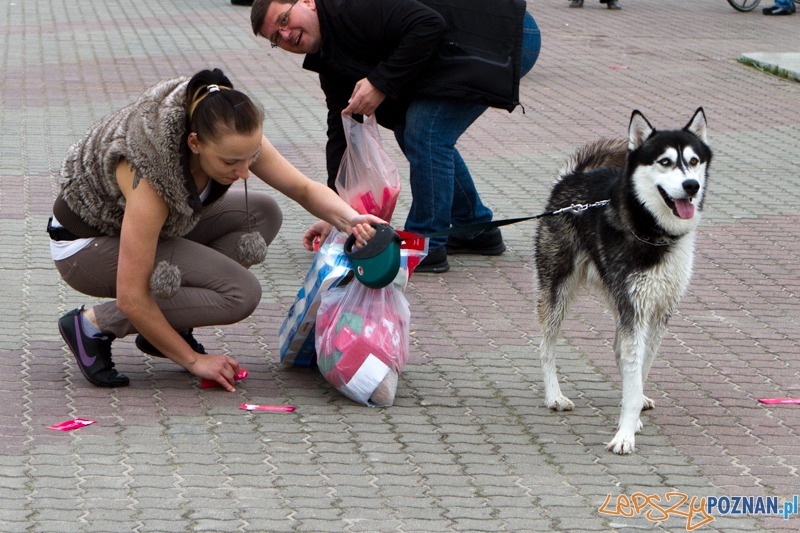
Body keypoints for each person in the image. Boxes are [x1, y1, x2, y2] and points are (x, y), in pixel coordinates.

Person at [51, 68, 384, 390]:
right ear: (194, 143)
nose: (244, 172)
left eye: (250, 158)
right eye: (230, 163)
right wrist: (194, 361)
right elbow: (131, 297)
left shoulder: (226, 125)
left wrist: (352, 219)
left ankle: (172, 325)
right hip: (86, 246)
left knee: (262, 213)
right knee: (239, 294)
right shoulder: (151, 175)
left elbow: (303, 188)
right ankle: (90, 325)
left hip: (148, 227)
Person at [250, 0, 541, 273]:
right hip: (458, 43)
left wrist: (380, 82)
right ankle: (475, 229)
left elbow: (428, 24)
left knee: (425, 130)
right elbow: (341, 128)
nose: (285, 35)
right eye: (276, 38)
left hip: (500, 33)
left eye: (284, 20)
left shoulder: (352, 8)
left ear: (308, 2)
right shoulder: (328, 56)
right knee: (413, 130)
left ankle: (425, 243)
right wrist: (334, 211)